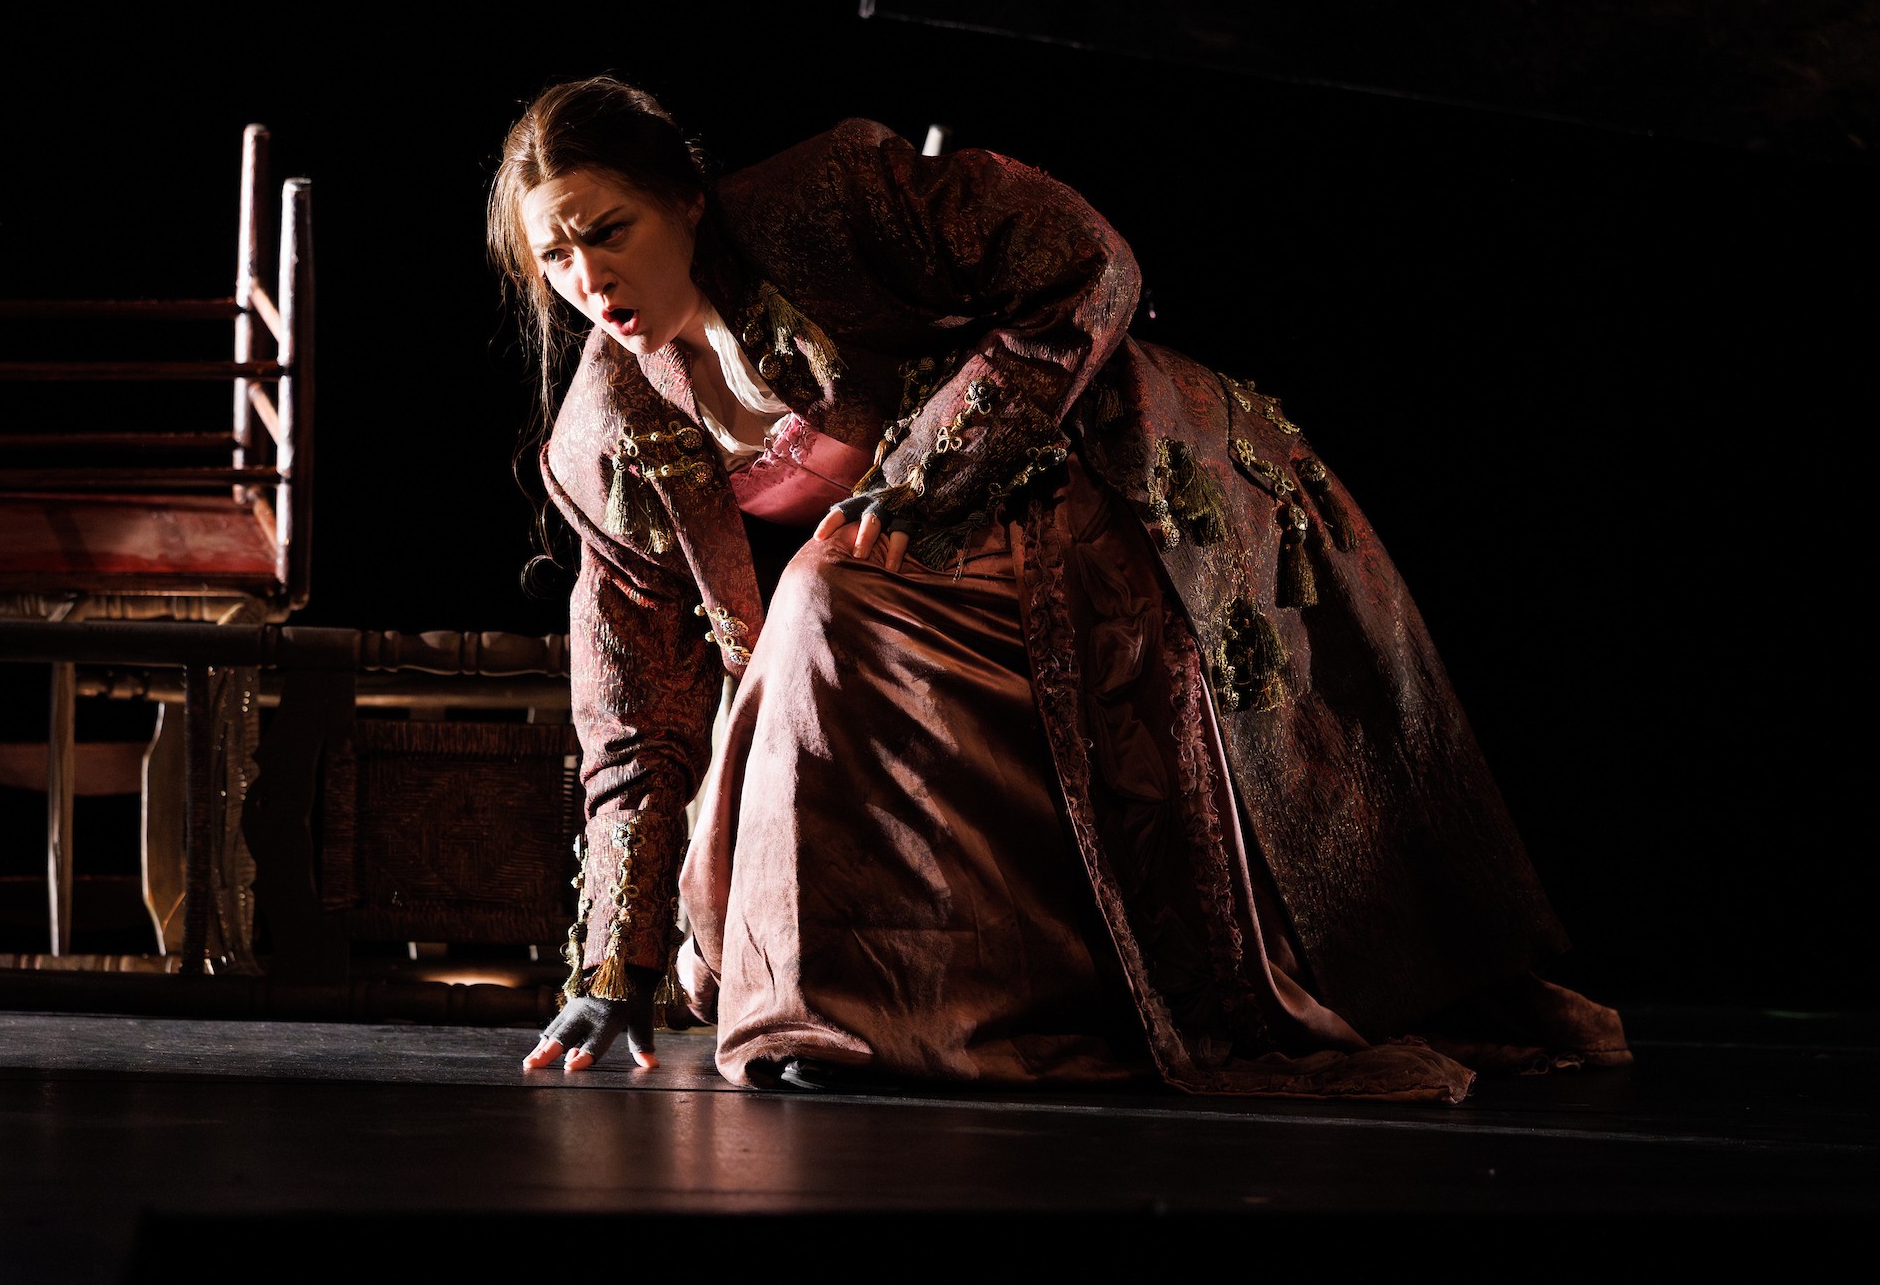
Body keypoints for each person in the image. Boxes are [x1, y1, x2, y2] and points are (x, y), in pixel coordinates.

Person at [498, 78, 1624, 1098]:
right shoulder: (604, 436)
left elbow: (1088, 264)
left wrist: (916, 482)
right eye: (555, 259)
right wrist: (618, 958)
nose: (589, 279)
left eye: (609, 232)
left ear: (687, 204)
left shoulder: (830, 199)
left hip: (1091, 485)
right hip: (895, 610)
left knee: (826, 604)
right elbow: (635, 708)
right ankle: (870, 1013)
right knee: (814, 635)